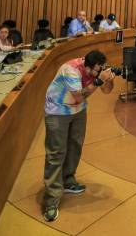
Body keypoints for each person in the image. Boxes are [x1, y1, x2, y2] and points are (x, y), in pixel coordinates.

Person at [42, 50, 115, 222]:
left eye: (100, 70)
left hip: (78, 111)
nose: (97, 72)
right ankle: (51, 200)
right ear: (87, 66)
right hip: (57, 110)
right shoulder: (70, 70)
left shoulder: (96, 68)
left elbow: (106, 91)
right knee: (56, 153)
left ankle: (68, 180)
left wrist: (110, 79)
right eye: (95, 71)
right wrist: (99, 80)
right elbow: (79, 97)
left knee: (75, 146)